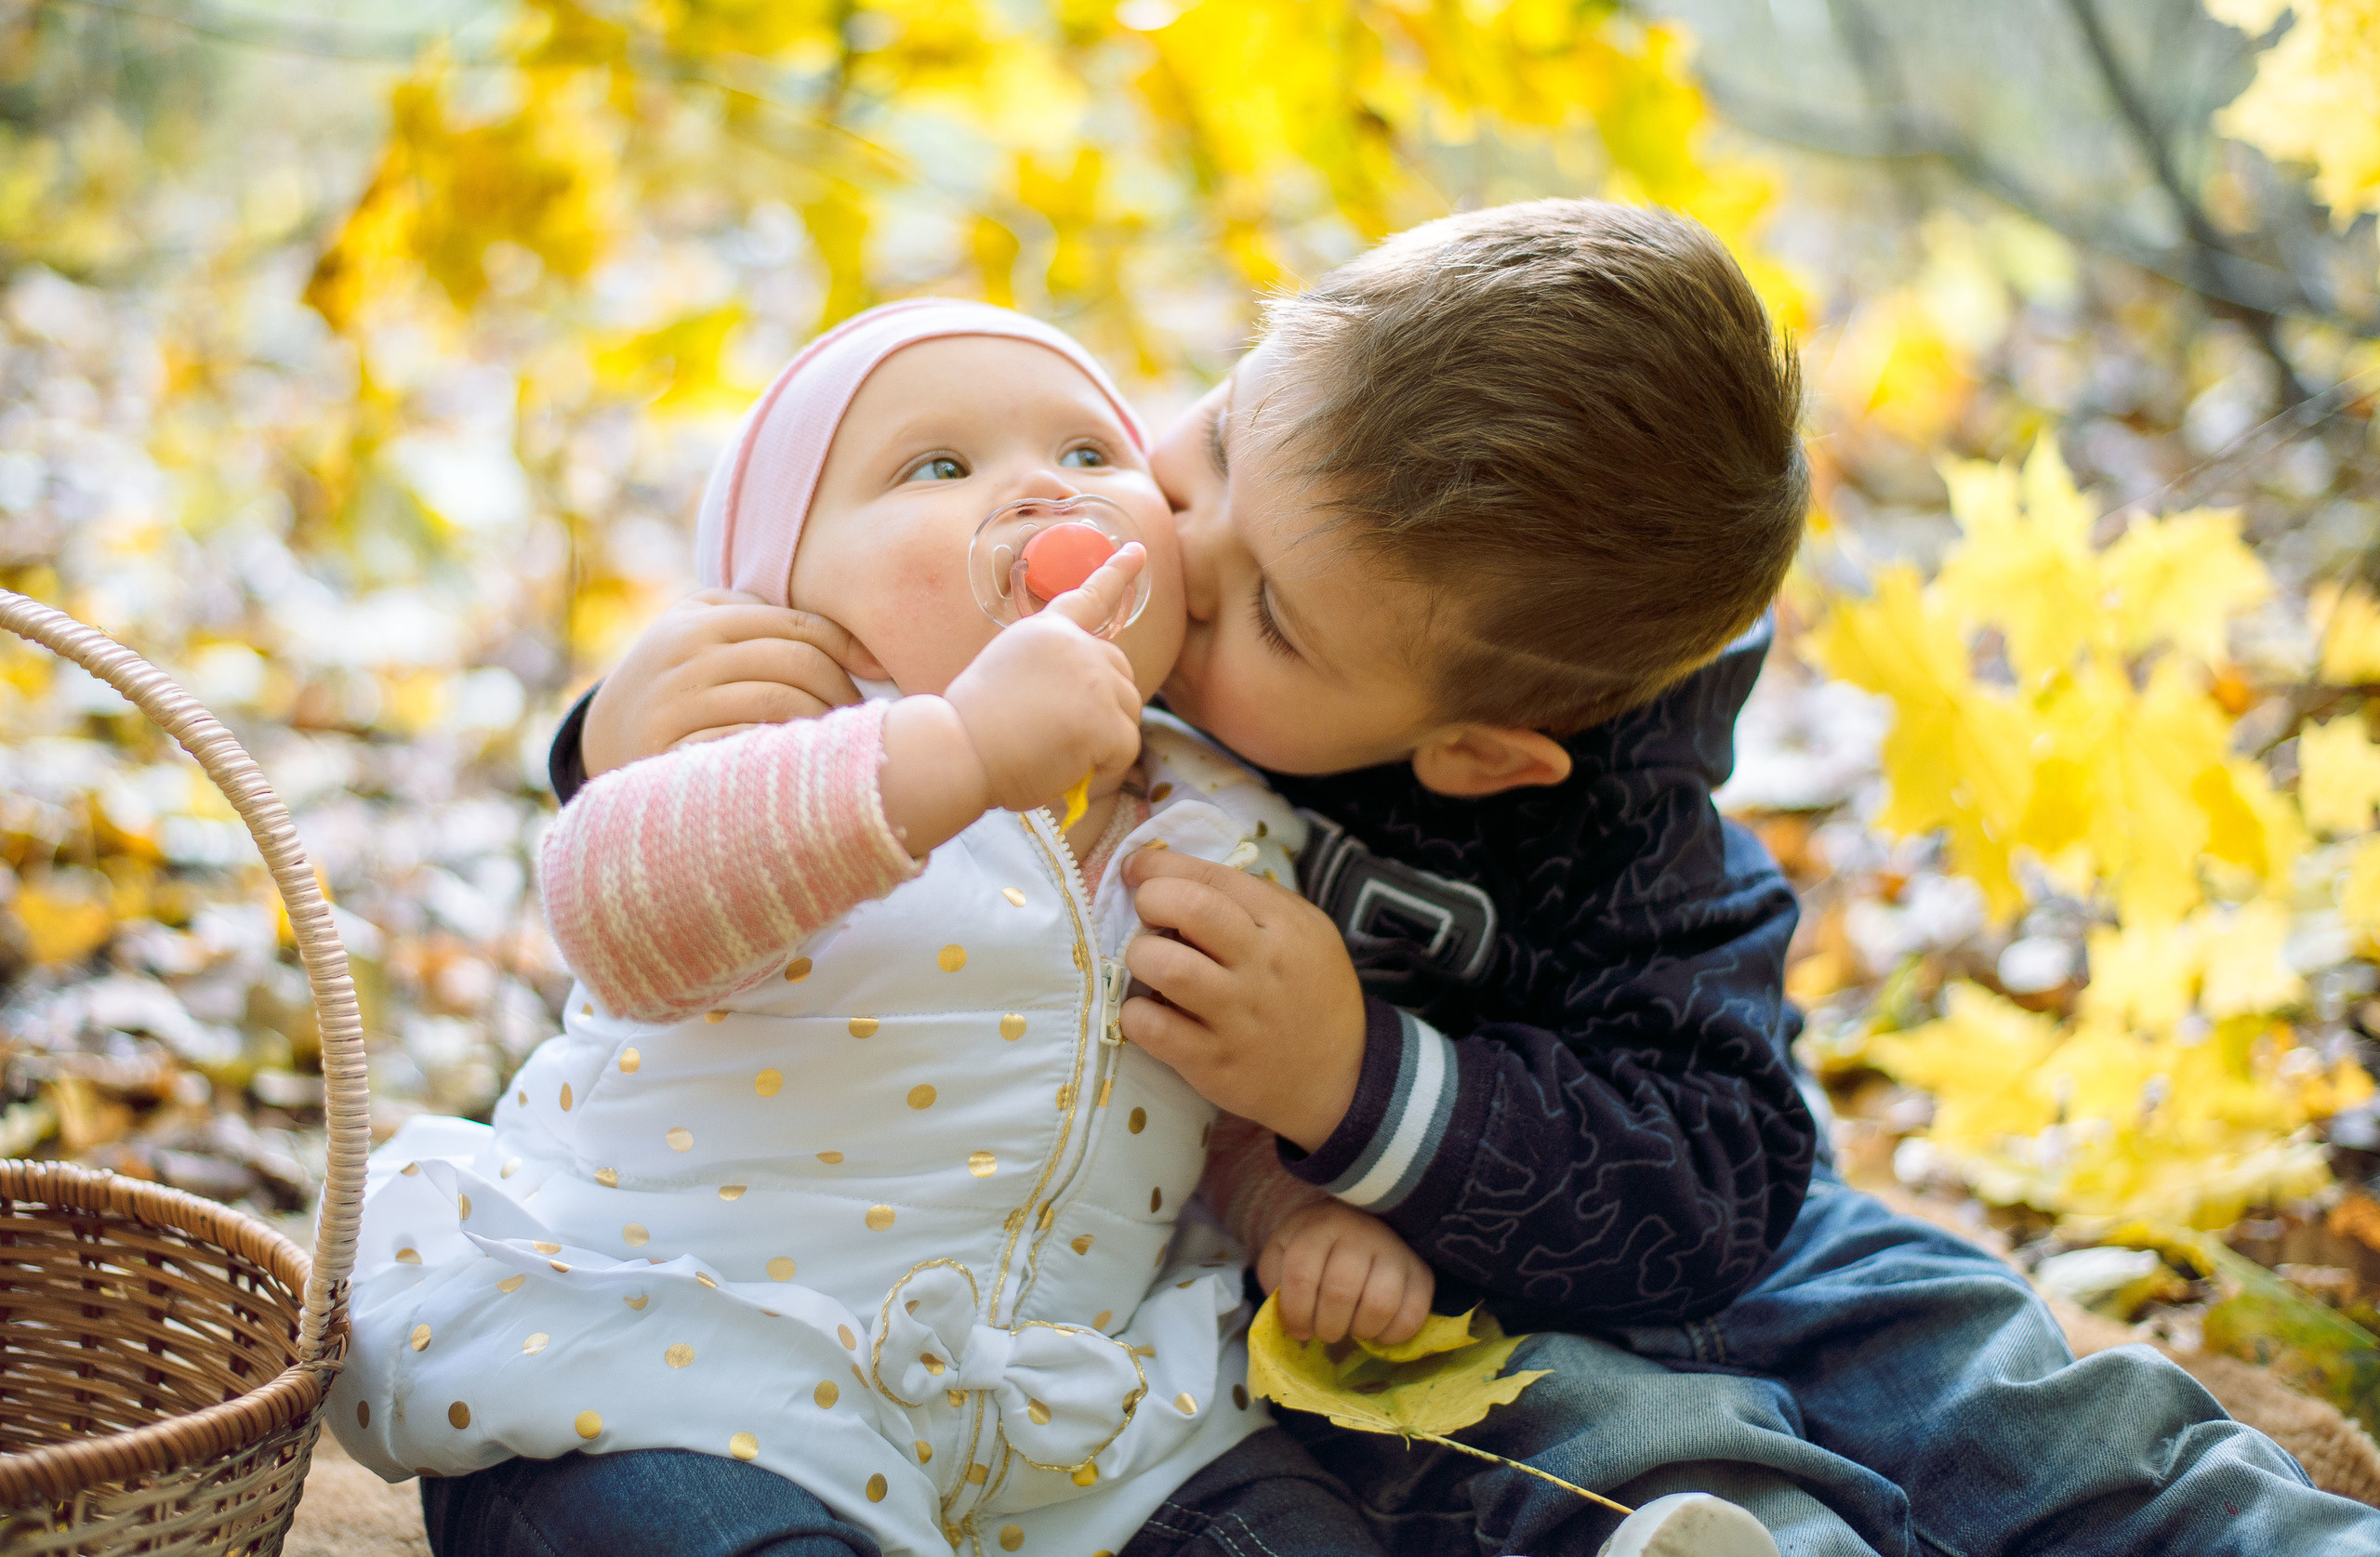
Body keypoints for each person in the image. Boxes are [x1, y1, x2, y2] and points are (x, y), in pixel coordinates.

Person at [550, 201, 2380, 1556]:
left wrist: (1358, 1076)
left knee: (1973, 1369)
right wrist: (615, 728)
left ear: (1476, 751)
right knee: (1611, 1441)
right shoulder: (1097, 650)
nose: (1154, 533)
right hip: (1375, 1288)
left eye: (1261, 599)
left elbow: (1728, 1179)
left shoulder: (1611, 828)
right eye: (1198, 441)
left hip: (1624, 1200)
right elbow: (806, 718)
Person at [329, 298, 1439, 1557]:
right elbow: (613, 911)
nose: (1041, 490)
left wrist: (1291, 1213)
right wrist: (952, 753)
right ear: (793, 597)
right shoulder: (782, 752)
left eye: (1090, 455)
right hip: (680, 1387)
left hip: (1066, 1431)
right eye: (940, 467)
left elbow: (1210, 1102)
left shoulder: (1223, 824)